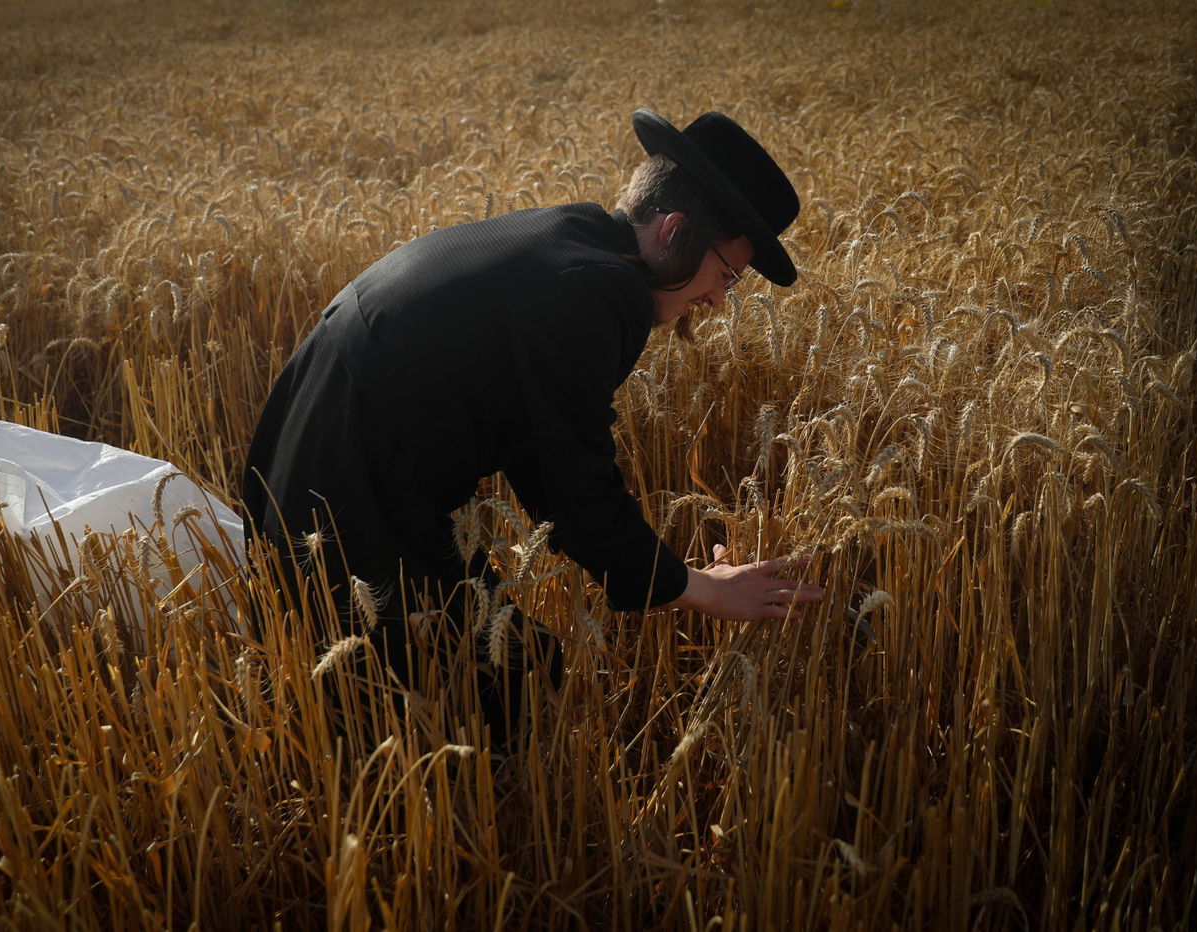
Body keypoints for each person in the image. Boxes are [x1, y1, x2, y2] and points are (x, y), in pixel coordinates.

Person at [242, 108, 825, 743]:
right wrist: (700, 589)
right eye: (727, 274)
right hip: (348, 480)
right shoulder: (599, 295)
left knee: (463, 672)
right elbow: (576, 489)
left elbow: (543, 458)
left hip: (304, 432)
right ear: (674, 230)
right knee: (495, 680)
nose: (718, 299)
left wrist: (657, 572)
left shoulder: (573, 237)